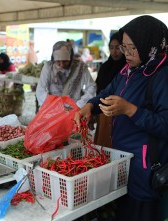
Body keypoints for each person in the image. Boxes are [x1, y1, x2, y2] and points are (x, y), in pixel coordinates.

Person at [75, 15, 168, 221]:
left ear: (149, 46)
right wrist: (90, 106)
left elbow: (165, 125)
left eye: (131, 48)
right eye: (123, 47)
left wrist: (130, 110)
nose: (125, 53)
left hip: (145, 167)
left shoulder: (162, 75)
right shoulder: (129, 70)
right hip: (123, 160)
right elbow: (106, 93)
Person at [36, 41, 96, 108]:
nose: (62, 65)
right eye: (58, 61)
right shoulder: (49, 67)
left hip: (74, 108)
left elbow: (91, 86)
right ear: (53, 59)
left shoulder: (80, 67)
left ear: (71, 58)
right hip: (53, 109)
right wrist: (52, 106)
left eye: (65, 61)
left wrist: (80, 104)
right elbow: (41, 90)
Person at [93, 32, 126, 147]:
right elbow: (98, 87)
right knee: (102, 144)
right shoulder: (105, 67)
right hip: (102, 111)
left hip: (119, 113)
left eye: (117, 47)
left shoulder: (126, 68)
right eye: (111, 48)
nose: (114, 51)